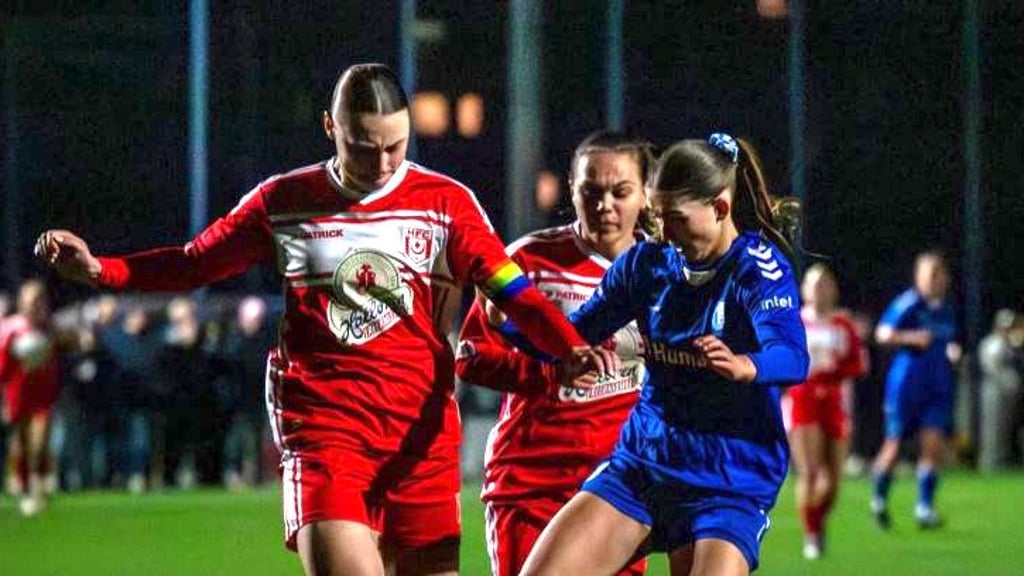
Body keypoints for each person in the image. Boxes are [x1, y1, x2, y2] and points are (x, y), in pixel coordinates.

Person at [34, 62, 610, 576]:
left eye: (397, 146)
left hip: (422, 434)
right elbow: (193, 263)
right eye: (364, 147)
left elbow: (513, 292)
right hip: (326, 430)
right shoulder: (286, 201)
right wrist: (102, 270)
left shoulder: (445, 202)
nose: (383, 163)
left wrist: (566, 346)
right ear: (331, 128)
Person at [516, 133, 809, 576]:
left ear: (720, 208)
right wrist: (519, 321)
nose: (664, 233)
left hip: (728, 482)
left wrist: (746, 365)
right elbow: (573, 335)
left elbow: (792, 356)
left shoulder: (758, 270)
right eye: (657, 217)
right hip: (645, 467)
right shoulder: (645, 266)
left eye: (675, 218)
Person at [455, 131, 653, 576]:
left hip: (617, 487)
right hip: (531, 481)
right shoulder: (529, 262)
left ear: (645, 193)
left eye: (620, 192)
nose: (605, 205)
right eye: (591, 191)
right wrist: (548, 373)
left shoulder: (663, 274)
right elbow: (470, 355)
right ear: (572, 190)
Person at [869, 251, 960, 530]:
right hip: (906, 387)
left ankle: (924, 507)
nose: (934, 279)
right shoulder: (909, 303)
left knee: (932, 446)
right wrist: (910, 337)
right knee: (894, 445)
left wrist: (952, 350)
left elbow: (946, 340)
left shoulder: (946, 308)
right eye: (929, 274)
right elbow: (882, 333)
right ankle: (879, 500)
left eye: (938, 273)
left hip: (937, 386)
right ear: (918, 277)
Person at [782, 264, 867, 559]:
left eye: (825, 284)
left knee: (833, 479)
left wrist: (832, 370)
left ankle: (818, 521)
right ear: (805, 290)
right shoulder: (793, 321)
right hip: (803, 398)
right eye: (814, 285)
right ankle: (811, 535)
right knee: (811, 472)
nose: (820, 290)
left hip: (834, 400)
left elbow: (858, 363)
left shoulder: (843, 325)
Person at [0, 279, 62, 516]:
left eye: (39, 300)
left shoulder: (50, 326)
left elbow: (60, 353)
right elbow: (3, 367)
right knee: (21, 444)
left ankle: (38, 487)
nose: (35, 306)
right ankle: (21, 482)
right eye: (31, 301)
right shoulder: (11, 328)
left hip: (43, 396)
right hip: (17, 396)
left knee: (40, 442)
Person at [978, 309, 1024, 470]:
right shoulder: (992, 343)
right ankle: (990, 462)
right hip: (995, 391)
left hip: (1011, 393)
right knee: (993, 428)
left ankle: (1006, 461)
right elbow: (994, 369)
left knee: (1008, 429)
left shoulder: (1012, 344)